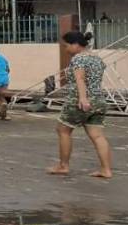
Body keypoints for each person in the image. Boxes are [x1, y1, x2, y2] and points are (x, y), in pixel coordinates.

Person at [48, 31, 113, 179]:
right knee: (97, 135)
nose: (66, 49)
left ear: (76, 45)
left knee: (63, 130)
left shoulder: (78, 59)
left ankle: (63, 166)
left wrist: (83, 98)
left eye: (67, 46)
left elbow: (80, 78)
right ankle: (106, 170)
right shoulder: (97, 59)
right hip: (99, 100)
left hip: (80, 99)